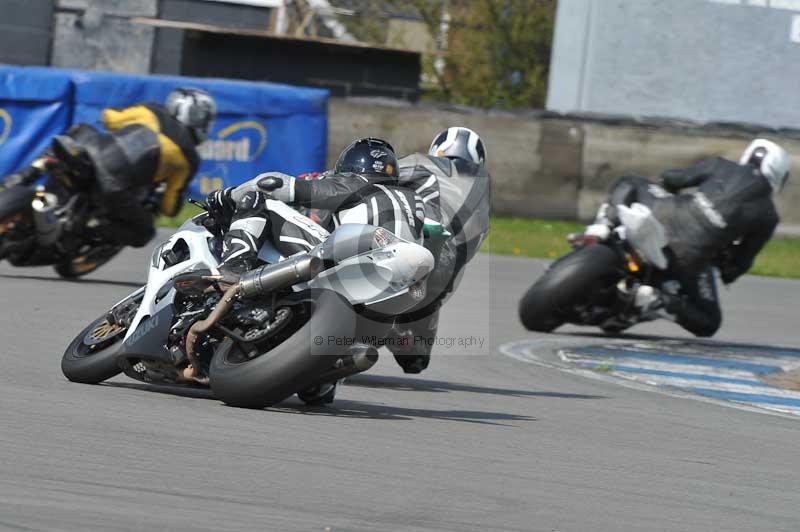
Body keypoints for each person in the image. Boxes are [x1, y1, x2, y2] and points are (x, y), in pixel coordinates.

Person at [583, 138, 790, 337]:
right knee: (709, 322)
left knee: (632, 181)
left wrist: (668, 190)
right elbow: (741, 262)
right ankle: (659, 300)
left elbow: (672, 178)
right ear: (779, 174)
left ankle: (602, 226)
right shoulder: (768, 215)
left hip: (663, 215)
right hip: (689, 260)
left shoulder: (719, 165)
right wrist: (726, 269)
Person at [6, 87, 216, 248]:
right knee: (144, 232)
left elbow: (109, 118)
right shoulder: (187, 157)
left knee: (80, 131)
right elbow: (170, 206)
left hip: (90, 151)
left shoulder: (150, 112)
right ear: (198, 118)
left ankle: (25, 175)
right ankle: (85, 234)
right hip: (113, 186)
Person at [386, 127, 491, 373]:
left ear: (437, 150)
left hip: (405, 246)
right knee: (416, 361)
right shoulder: (484, 196)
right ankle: (394, 334)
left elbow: (373, 173)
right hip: (438, 278)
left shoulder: (422, 164)